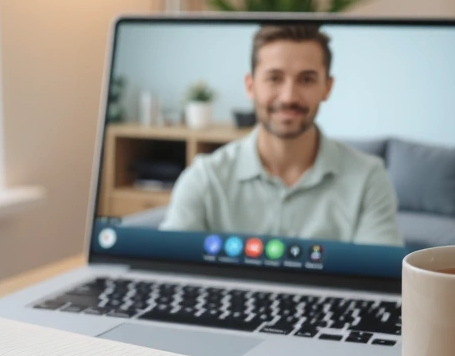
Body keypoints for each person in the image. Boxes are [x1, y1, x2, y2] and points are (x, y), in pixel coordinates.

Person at [160, 23, 403, 246]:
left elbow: (379, 280)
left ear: (327, 88)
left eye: (306, 79)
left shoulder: (370, 179)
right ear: (250, 85)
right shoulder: (204, 178)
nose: (288, 97)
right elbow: (167, 270)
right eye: (274, 78)